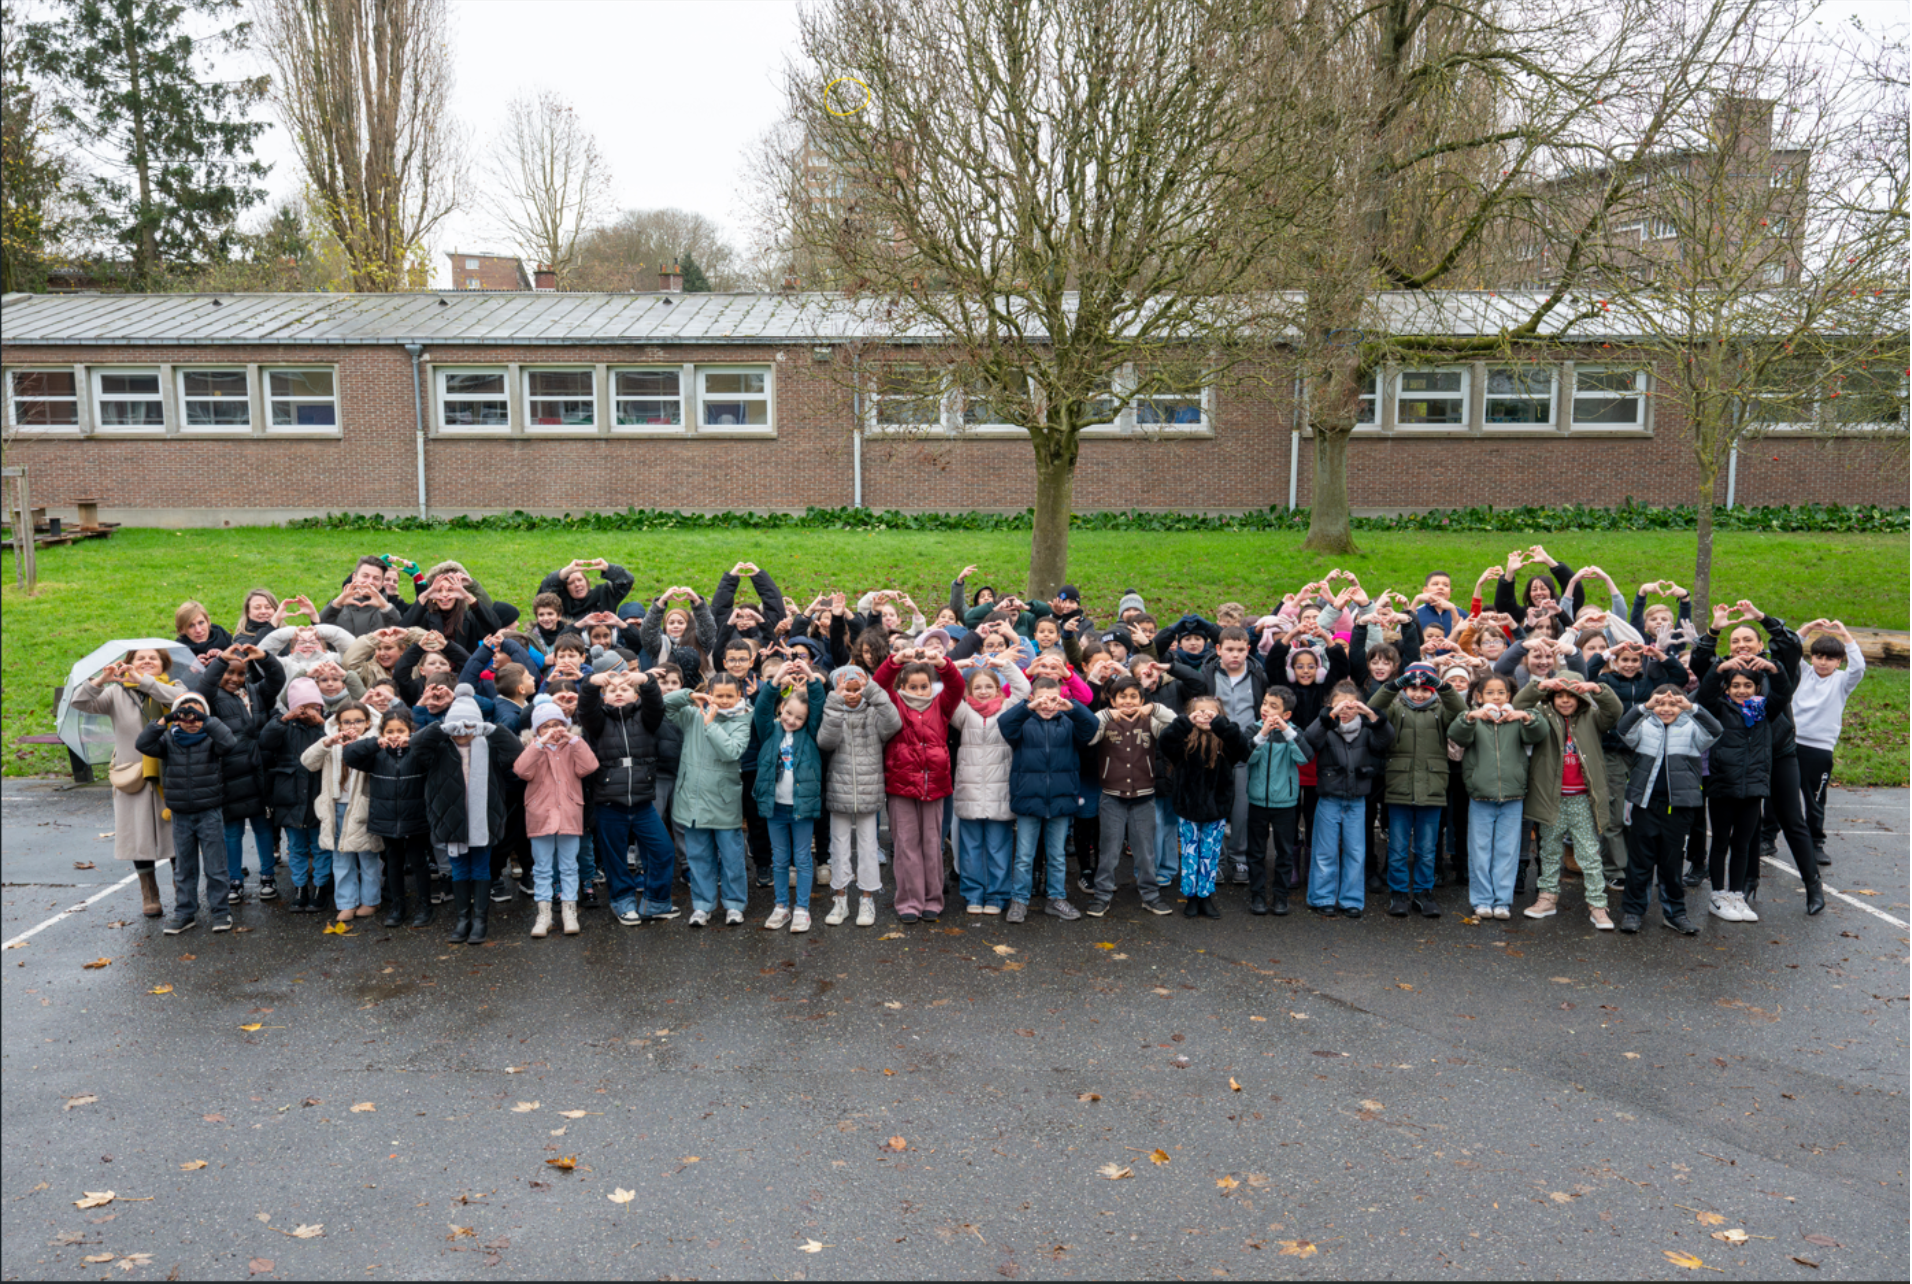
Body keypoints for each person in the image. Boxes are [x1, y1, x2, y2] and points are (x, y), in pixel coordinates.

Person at [408, 686, 526, 937]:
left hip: (483, 819)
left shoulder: (490, 748)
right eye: (457, 726)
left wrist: (492, 730)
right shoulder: (439, 750)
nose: (463, 731)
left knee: (481, 868)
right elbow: (416, 745)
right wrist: (441, 728)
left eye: (469, 725)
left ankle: (480, 921)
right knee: (459, 869)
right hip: (451, 819)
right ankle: (463, 920)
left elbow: (516, 752)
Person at [1514, 675, 1623, 928]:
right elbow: (1519, 705)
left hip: (1582, 799)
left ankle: (1597, 905)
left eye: (1571, 696)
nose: (1565, 700)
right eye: (1560, 695)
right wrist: (1539, 686)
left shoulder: (1592, 717)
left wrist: (1597, 689)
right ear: (1551, 697)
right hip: (1551, 798)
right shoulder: (1542, 715)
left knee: (1589, 854)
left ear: (1581, 698)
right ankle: (1547, 898)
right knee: (1549, 852)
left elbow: (1614, 711)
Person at [1614, 686, 1720, 934]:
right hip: (1645, 805)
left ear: (1682, 706)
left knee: (1671, 864)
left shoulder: (1692, 728)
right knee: (1639, 862)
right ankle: (1633, 911)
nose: (1666, 709)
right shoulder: (1644, 726)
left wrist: (1691, 708)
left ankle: (1675, 914)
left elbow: (1715, 730)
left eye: (1673, 704)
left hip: (1678, 808)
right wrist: (1644, 707)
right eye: (1661, 703)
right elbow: (1623, 730)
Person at [871, 646, 964, 924]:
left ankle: (932, 899)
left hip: (934, 786)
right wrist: (895, 661)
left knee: (932, 844)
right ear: (902, 686)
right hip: (900, 787)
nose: (920, 691)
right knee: (906, 844)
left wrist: (943, 664)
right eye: (913, 686)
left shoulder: (941, 705)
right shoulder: (894, 704)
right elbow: (877, 686)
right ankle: (909, 901)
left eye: (925, 686)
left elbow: (957, 686)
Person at [1695, 652, 1790, 923]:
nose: (1741, 690)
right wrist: (1719, 668)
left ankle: (1737, 895)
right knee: (1721, 841)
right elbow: (1704, 695)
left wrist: (1774, 668)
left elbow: (1783, 692)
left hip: (1753, 787)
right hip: (1722, 786)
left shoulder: (1764, 710)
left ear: (1757, 688)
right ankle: (1718, 895)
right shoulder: (1717, 708)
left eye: (1748, 685)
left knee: (1742, 844)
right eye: (1735, 685)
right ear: (1726, 688)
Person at [578, 667, 676, 925]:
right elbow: (585, 709)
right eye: (612, 690)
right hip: (609, 803)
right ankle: (623, 902)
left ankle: (656, 902)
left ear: (635, 695)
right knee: (615, 857)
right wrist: (590, 684)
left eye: (624, 689)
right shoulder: (598, 722)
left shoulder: (646, 718)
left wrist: (647, 680)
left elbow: (656, 704)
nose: (618, 693)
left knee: (663, 849)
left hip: (643, 803)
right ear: (604, 697)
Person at [998, 677, 1100, 922]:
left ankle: (1056, 898)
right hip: (1028, 799)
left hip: (1061, 799)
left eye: (1053, 699)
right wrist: (1028, 707)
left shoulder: (1069, 723)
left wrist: (1072, 707)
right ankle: (1019, 900)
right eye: (1041, 699)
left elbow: (1092, 725)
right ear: (1032, 699)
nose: (1047, 704)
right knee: (1024, 856)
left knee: (1057, 856)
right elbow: (1004, 723)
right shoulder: (1023, 723)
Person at [134, 692, 237, 934]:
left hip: (209, 811)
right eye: (185, 714)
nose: (191, 719)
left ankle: (221, 912)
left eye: (197, 714)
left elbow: (229, 743)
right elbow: (143, 744)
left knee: (216, 867)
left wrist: (207, 720)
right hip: (180, 814)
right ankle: (184, 912)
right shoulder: (168, 740)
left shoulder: (212, 740)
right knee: (184, 868)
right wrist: (166, 719)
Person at [1447, 675, 1547, 919]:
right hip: (1480, 796)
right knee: (1479, 851)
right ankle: (1481, 900)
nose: (1496, 697)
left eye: (1501, 692)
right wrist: (1470, 717)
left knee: (1508, 851)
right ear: (1479, 696)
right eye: (1490, 693)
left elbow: (1539, 733)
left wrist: (1526, 717)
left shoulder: (1517, 719)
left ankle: (1502, 901)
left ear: (1509, 696)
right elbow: (1457, 735)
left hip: (1513, 796)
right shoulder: (1473, 719)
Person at [191, 643, 284, 904]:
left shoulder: (257, 692)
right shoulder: (212, 698)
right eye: (228, 672)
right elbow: (204, 687)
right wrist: (220, 660)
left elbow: (277, 679)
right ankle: (234, 879)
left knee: (263, 827)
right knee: (232, 831)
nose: (235, 678)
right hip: (229, 773)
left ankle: (268, 876)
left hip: (259, 770)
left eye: (241, 673)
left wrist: (264, 658)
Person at [1371, 662, 1466, 918]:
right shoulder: (1395, 708)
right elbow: (1373, 710)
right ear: (1405, 689)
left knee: (1427, 849)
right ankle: (1399, 893)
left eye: (1425, 689)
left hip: (1432, 788)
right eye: (1413, 688)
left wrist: (1444, 687)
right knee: (1397, 848)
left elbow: (1462, 713)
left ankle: (1424, 893)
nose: (1419, 694)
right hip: (1399, 786)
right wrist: (1393, 686)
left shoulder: (1441, 710)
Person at [663, 673, 754, 927]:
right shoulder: (692, 714)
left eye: (729, 696)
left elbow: (732, 751)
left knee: (732, 858)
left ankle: (734, 904)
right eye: (719, 695)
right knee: (699, 857)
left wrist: (710, 724)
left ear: (739, 695)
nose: (724, 700)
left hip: (723, 801)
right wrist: (690, 695)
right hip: (692, 801)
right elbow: (665, 705)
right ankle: (702, 905)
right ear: (710, 694)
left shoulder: (743, 718)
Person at [817, 665, 902, 927]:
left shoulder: (874, 713)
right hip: (839, 791)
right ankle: (840, 898)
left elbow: (894, 722)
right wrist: (835, 702)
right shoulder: (832, 711)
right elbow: (826, 741)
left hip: (869, 792)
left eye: (858, 689)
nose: (852, 695)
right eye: (847, 689)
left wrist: (873, 690)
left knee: (868, 848)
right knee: (839, 847)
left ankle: (867, 899)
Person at [1086, 675, 1177, 917]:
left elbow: (1177, 725)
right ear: (1113, 700)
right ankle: (1102, 895)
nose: (1128, 701)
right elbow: (1087, 735)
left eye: (1134, 697)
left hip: (1144, 797)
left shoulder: (1151, 721)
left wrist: (1154, 708)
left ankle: (1150, 895)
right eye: (1122, 697)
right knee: (1109, 850)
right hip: (1111, 797)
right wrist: (1105, 715)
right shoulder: (1105, 720)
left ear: (1141, 700)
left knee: (1145, 852)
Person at [1304, 683, 1395, 918]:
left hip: (1357, 801)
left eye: (1351, 706)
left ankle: (1351, 899)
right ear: (1329, 706)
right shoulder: (1326, 728)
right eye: (1339, 705)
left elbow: (1386, 739)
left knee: (1356, 852)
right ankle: (1322, 897)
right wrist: (1329, 716)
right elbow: (1310, 739)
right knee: (1325, 852)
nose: (1345, 710)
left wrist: (1371, 715)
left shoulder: (1366, 729)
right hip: (1329, 799)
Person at [950, 656, 1032, 916]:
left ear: (998, 689)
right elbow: (948, 694)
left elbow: (1023, 689)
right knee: (971, 849)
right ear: (969, 691)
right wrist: (956, 667)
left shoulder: (1008, 710)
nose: (983, 691)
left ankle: (997, 896)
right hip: (969, 791)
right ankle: (973, 894)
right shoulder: (963, 712)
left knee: (999, 848)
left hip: (1000, 792)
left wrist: (1003, 665)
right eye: (977, 687)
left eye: (989, 686)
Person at [513, 698, 600, 940]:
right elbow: (521, 770)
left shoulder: (573, 746)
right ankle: (544, 914)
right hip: (540, 814)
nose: (553, 730)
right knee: (542, 867)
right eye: (546, 726)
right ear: (537, 730)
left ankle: (569, 912)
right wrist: (539, 744)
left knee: (569, 865)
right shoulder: (532, 748)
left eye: (557, 724)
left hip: (569, 812)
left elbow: (590, 766)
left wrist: (574, 739)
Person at [1160, 694, 1252, 918]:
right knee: (1190, 854)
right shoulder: (1183, 740)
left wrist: (1221, 726)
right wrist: (1184, 723)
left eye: (1210, 712)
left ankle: (1205, 895)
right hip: (1188, 809)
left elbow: (1243, 750)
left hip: (1216, 809)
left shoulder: (1225, 741)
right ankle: (1191, 896)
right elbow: (1164, 743)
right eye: (1199, 712)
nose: (1204, 716)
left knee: (1210, 855)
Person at [751, 659, 827, 932]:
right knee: (781, 860)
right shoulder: (770, 730)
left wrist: (810, 677)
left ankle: (802, 909)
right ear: (781, 708)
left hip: (801, 808)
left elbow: (818, 705)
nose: (792, 720)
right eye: (788, 713)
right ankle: (781, 906)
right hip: (775, 808)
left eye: (799, 717)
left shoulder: (810, 734)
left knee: (803, 859)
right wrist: (776, 680)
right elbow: (761, 709)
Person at [341, 709, 432, 927]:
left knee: (419, 861)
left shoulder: (418, 752)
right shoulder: (376, 755)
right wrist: (375, 743)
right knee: (393, 862)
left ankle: (425, 907)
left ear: (410, 731)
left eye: (401, 730)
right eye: (389, 731)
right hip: (386, 818)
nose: (395, 735)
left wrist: (413, 742)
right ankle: (397, 907)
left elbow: (436, 744)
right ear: (382, 733)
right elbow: (350, 754)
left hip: (416, 817)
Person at [1788, 620, 1866, 869]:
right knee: (1779, 794)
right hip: (1790, 744)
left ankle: (1815, 843)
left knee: (1815, 799)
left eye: (1830, 658)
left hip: (1819, 750)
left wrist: (1845, 635)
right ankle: (1767, 838)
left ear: (1839, 661)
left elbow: (1859, 666)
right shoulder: (1802, 672)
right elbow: (1789, 648)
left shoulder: (1843, 682)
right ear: (1811, 657)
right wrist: (1807, 628)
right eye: (1818, 656)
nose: (1823, 662)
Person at [300, 703, 383, 925]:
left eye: (358, 721)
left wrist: (362, 745)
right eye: (347, 721)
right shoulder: (331, 742)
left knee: (368, 856)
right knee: (341, 858)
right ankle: (347, 903)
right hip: (336, 807)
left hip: (364, 808)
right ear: (338, 724)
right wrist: (327, 743)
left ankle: (371, 900)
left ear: (368, 722)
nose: (352, 726)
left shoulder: (375, 741)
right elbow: (308, 762)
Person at [257, 678, 330, 914]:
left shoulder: (327, 724)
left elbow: (339, 742)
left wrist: (323, 724)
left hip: (318, 794)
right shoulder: (283, 724)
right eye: (302, 707)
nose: (308, 712)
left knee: (320, 845)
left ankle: (320, 887)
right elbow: (265, 742)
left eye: (314, 706)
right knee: (296, 846)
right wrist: (285, 718)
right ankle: (300, 888)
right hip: (289, 795)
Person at [1242, 685, 1314, 916]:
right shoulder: (1253, 729)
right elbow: (1246, 758)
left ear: (1286, 714)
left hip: (1285, 804)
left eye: (1273, 706)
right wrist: (1262, 735)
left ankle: (1281, 897)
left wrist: (1287, 731)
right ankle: (1258, 895)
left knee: (1284, 853)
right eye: (1264, 703)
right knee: (1256, 852)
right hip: (1257, 802)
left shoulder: (1294, 732)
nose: (1266, 709)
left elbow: (1304, 758)